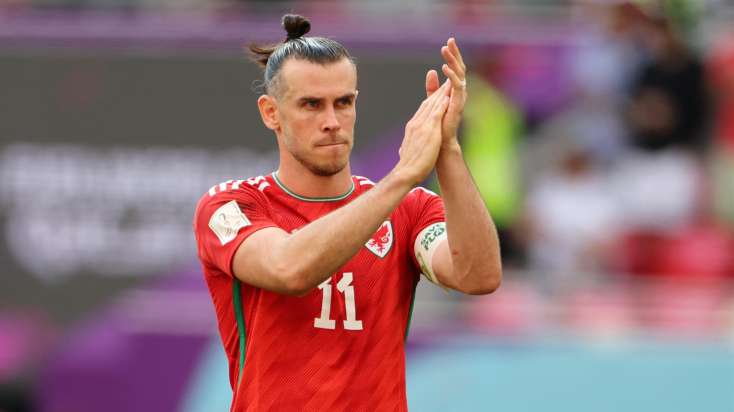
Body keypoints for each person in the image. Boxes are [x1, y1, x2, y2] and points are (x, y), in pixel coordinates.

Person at [192, 14, 501, 411]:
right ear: (271, 113)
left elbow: (478, 276)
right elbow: (289, 269)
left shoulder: (409, 210)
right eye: (311, 105)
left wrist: (449, 149)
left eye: (344, 102)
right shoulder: (232, 206)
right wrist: (403, 175)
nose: (332, 122)